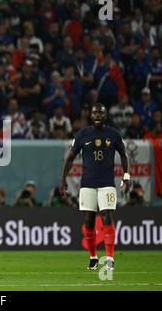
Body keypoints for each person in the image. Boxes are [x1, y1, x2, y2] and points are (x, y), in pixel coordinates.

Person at [59, 103, 130, 271]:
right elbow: (69, 158)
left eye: (101, 113)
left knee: (106, 215)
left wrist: (126, 176)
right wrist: (63, 179)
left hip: (107, 183)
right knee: (89, 221)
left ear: (105, 116)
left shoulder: (113, 134)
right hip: (87, 184)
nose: (98, 115)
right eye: (95, 113)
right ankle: (93, 257)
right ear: (91, 116)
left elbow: (124, 155)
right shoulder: (83, 134)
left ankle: (110, 258)